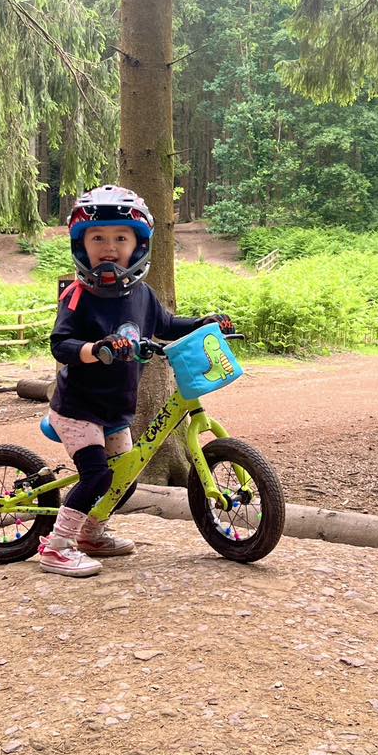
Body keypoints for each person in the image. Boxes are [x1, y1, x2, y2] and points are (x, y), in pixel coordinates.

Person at [39, 185, 234, 578]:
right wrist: (99, 348)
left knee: (125, 478)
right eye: (97, 238)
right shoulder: (78, 296)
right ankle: (57, 546)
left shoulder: (143, 295)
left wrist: (202, 323)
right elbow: (61, 344)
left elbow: (166, 325)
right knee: (97, 475)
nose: (108, 247)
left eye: (120, 238)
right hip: (78, 409)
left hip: (115, 410)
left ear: (138, 246)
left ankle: (92, 533)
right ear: (82, 246)